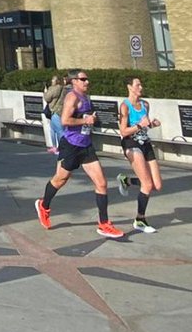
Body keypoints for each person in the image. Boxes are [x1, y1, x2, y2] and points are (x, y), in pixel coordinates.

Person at [34, 70, 125, 238]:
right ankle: (43, 205)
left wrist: (93, 119)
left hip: (86, 146)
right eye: (83, 79)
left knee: (102, 183)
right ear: (74, 81)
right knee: (60, 179)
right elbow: (65, 121)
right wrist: (85, 120)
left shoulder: (85, 96)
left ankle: (104, 224)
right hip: (71, 145)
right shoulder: (72, 97)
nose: (87, 82)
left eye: (87, 79)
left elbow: (86, 117)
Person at [116, 76, 163, 232]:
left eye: (141, 84)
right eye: (138, 85)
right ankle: (140, 220)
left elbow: (145, 126)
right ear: (130, 87)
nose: (141, 87)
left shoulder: (145, 104)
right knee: (147, 184)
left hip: (145, 142)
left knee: (156, 185)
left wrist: (151, 124)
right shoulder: (125, 106)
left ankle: (127, 180)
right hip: (131, 144)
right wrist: (139, 125)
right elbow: (123, 131)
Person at [42, 73, 66, 154]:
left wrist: (45, 92)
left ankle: (59, 148)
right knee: (53, 130)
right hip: (59, 110)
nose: (52, 81)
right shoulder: (63, 88)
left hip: (55, 111)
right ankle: (55, 147)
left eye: (53, 79)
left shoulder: (54, 88)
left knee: (58, 131)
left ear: (57, 81)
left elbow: (47, 98)